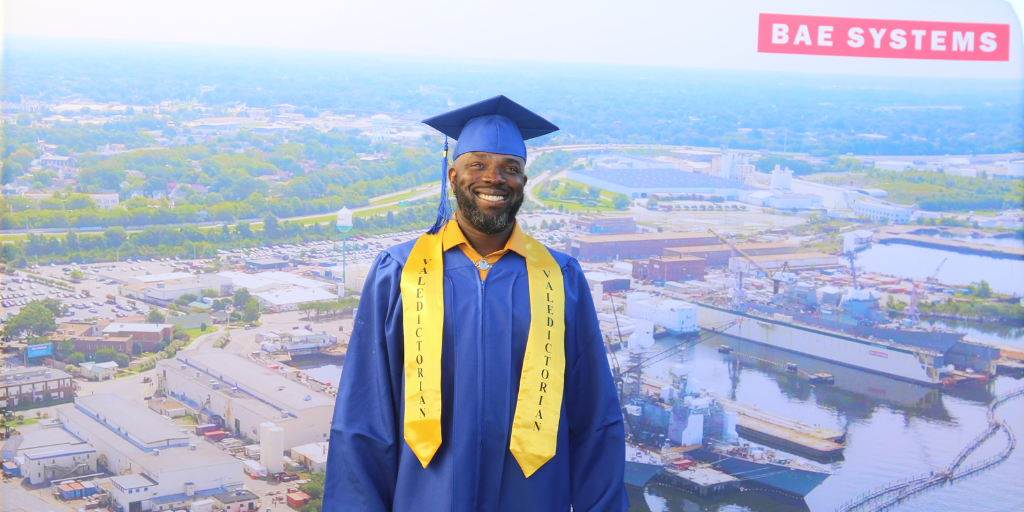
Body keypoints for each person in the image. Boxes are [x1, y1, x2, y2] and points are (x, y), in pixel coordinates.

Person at [323, 95, 627, 512]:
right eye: (478, 165)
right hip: (423, 498)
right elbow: (363, 420)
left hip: (533, 499)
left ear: (523, 181)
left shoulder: (561, 279)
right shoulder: (399, 273)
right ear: (453, 176)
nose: (494, 178)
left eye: (510, 168)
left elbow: (595, 421)